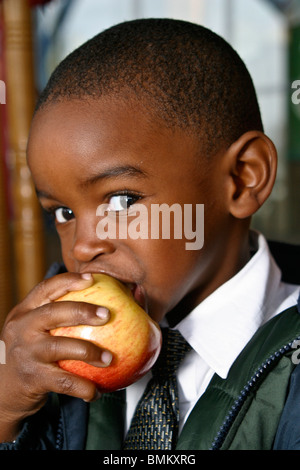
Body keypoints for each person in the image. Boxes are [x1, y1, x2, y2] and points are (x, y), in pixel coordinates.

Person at [0, 18, 299, 451]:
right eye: (63, 212)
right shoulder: (54, 350)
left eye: (121, 201)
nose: (84, 245)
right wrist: (7, 412)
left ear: (242, 178)